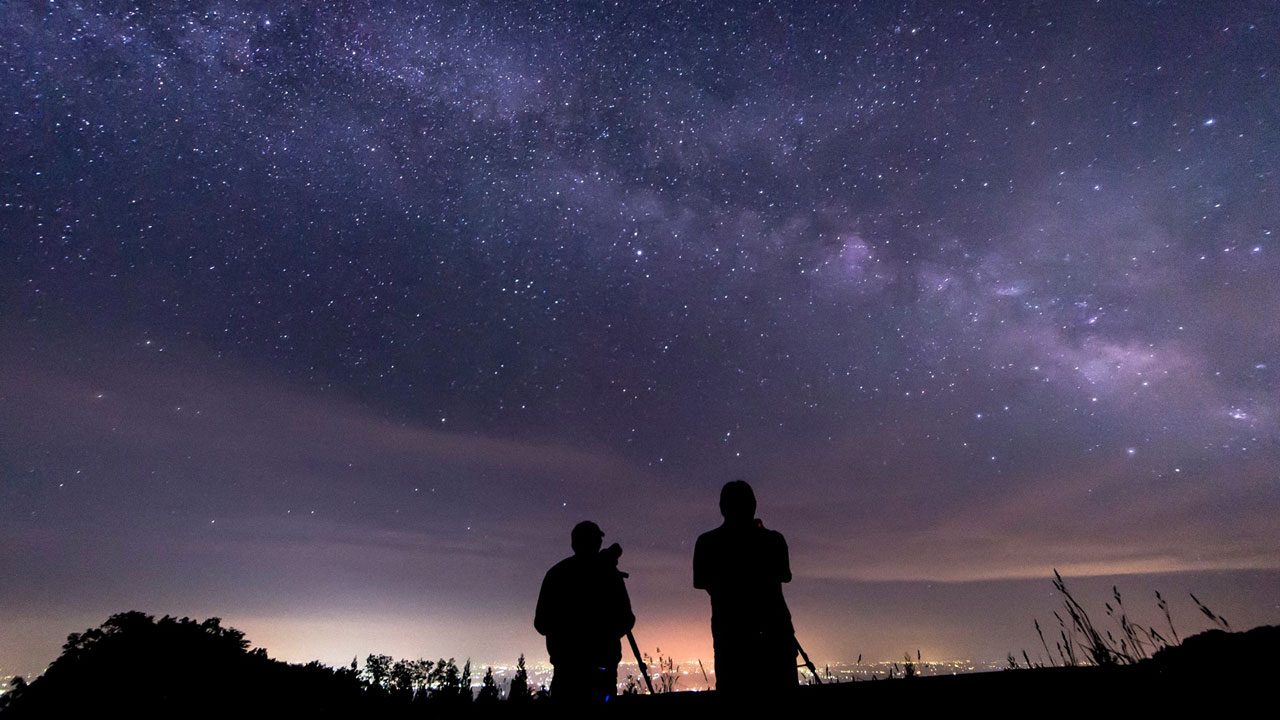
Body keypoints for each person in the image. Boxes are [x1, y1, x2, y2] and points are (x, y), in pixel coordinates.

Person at [693, 480, 798, 697]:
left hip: (731, 635)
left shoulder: (707, 543)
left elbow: (701, 581)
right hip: (775, 632)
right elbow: (784, 575)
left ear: (722, 507)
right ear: (753, 505)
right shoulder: (773, 540)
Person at [535, 521, 636, 704]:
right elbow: (626, 619)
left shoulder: (555, 574)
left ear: (574, 544)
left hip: (566, 667)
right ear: (597, 543)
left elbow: (541, 623)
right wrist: (606, 635)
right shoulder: (609, 574)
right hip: (603, 665)